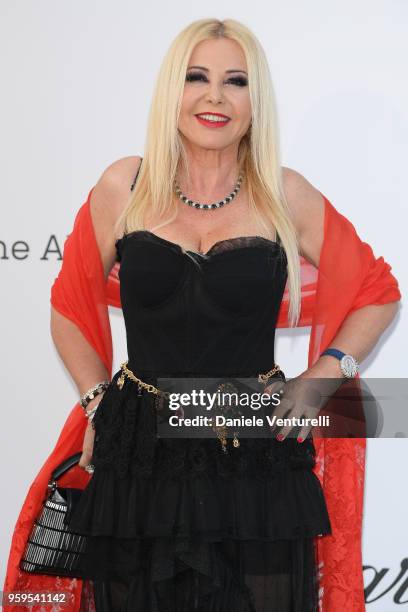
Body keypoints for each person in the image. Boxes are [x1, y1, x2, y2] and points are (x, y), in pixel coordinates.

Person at [3, 18, 401, 612]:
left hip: (254, 451)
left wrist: (321, 379)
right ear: (174, 91)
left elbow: (378, 289)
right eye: (198, 77)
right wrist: (98, 402)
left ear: (254, 101)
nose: (215, 95)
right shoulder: (125, 185)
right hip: (138, 453)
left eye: (235, 81)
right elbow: (68, 309)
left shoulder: (283, 194)